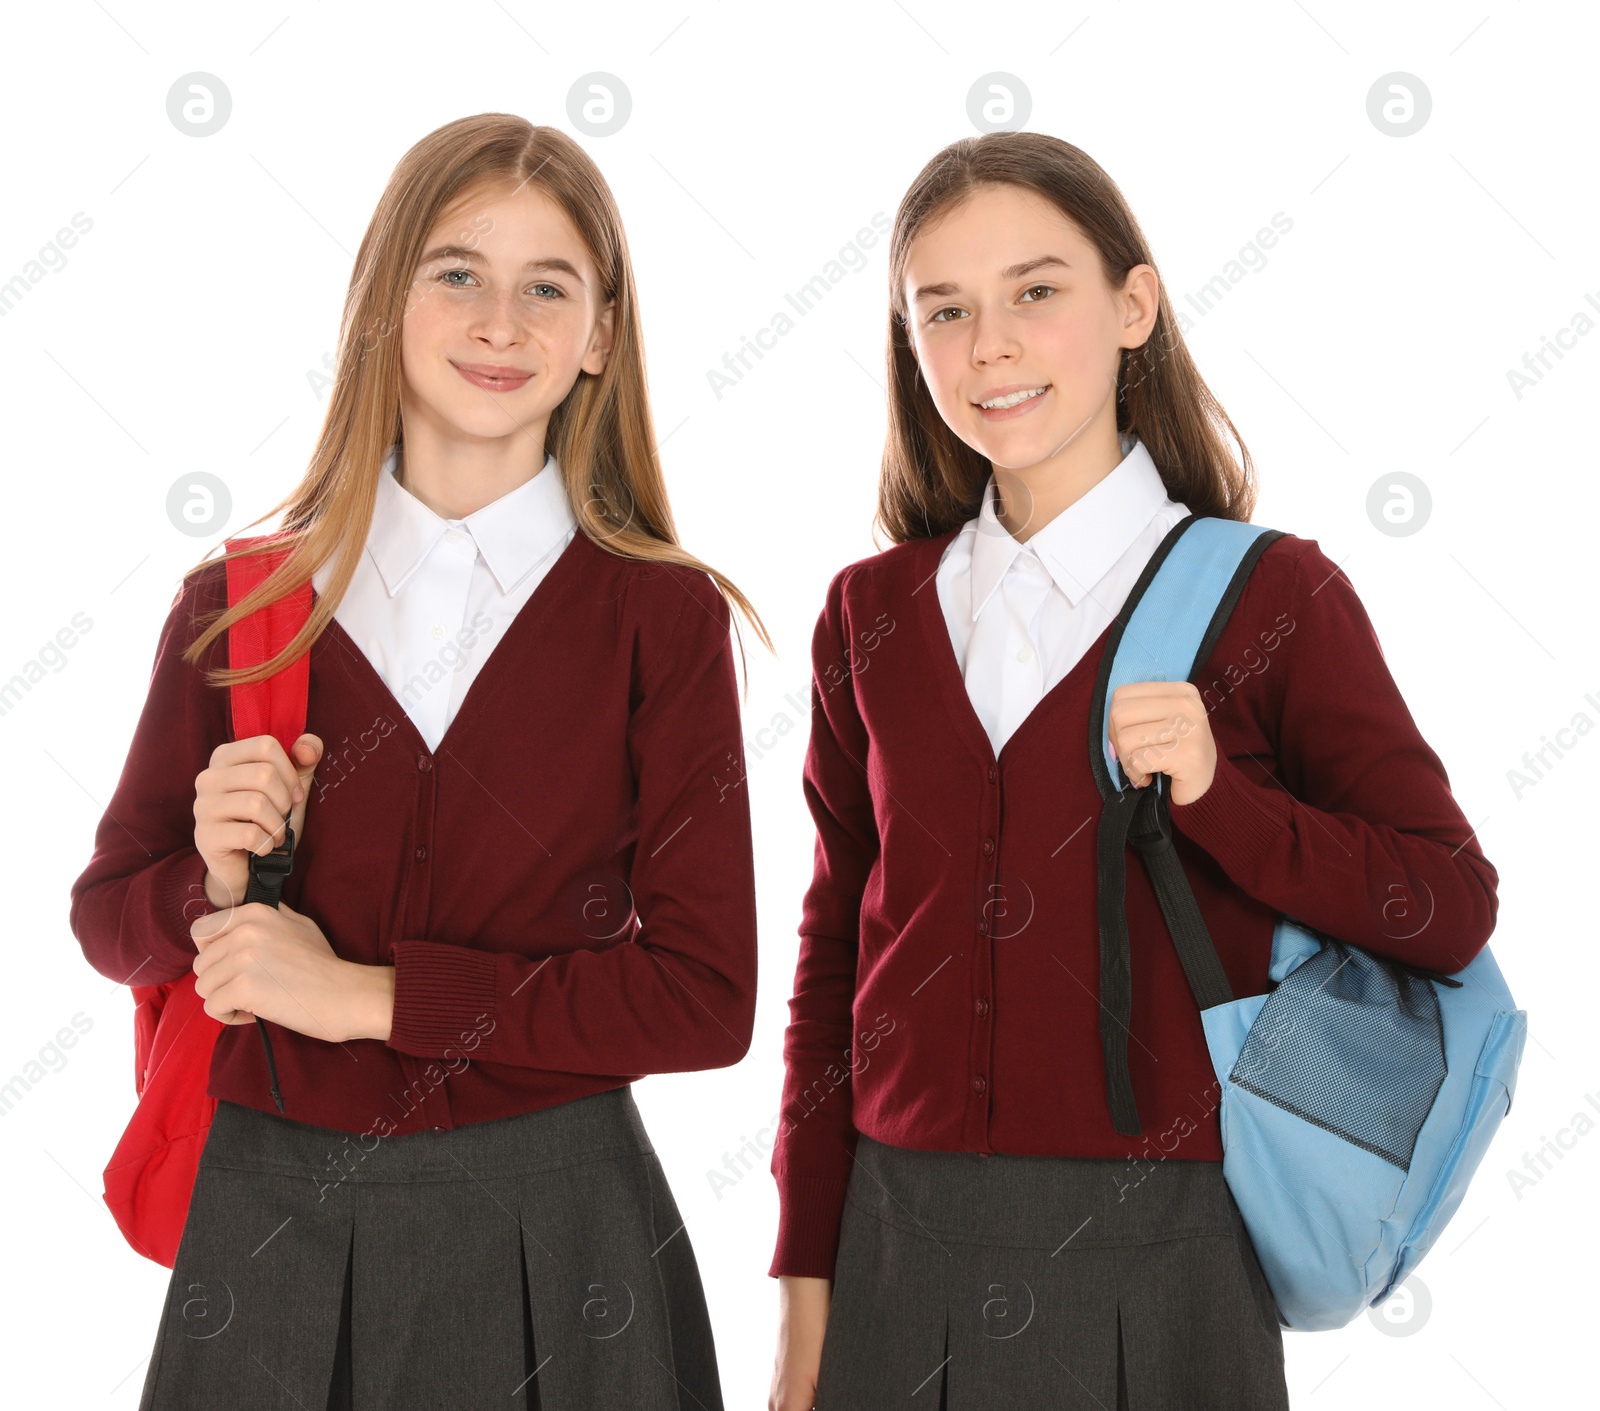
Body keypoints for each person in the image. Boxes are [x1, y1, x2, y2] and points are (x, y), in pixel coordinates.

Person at [765, 132, 1499, 1411]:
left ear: (1133, 308)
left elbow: (1447, 906)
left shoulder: (1271, 596)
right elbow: (835, 952)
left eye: (1035, 291)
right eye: (945, 309)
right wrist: (803, 1294)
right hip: (893, 1243)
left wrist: (1227, 804)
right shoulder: (866, 613)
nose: (989, 344)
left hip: (1162, 1259)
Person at [70, 112, 767, 1411]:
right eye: (457, 272)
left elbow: (702, 996)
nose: (500, 320)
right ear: (387, 303)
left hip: (566, 1234)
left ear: (599, 334)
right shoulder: (241, 605)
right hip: (272, 1233)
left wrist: (369, 998)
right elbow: (109, 915)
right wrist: (206, 886)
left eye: (545, 285)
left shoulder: (660, 620)